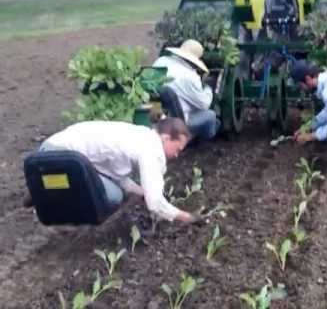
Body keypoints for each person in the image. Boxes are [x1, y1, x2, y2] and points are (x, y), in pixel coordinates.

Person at [27, 117, 202, 223]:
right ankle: (47, 193)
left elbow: (117, 176)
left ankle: (42, 187)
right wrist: (187, 217)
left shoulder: (140, 134)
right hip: (64, 160)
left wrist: (142, 191)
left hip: (47, 150)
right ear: (166, 138)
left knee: (113, 186)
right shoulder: (151, 150)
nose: (177, 155)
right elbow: (155, 204)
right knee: (112, 197)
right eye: (177, 149)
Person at [153, 39, 220, 141]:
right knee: (211, 116)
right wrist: (208, 89)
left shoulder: (161, 61)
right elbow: (204, 104)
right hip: (181, 120)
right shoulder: (190, 76)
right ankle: (195, 141)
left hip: (158, 114)